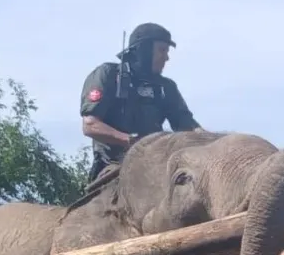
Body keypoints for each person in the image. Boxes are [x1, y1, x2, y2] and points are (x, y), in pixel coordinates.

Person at [79, 22, 203, 182]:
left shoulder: (166, 87)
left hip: (156, 166)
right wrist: (133, 142)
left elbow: (188, 126)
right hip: (114, 168)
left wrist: (215, 142)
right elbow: (90, 125)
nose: (166, 57)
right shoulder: (109, 75)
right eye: (162, 50)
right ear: (144, 50)